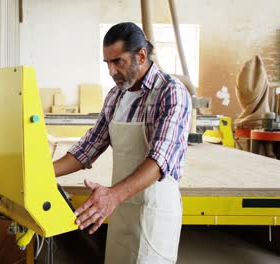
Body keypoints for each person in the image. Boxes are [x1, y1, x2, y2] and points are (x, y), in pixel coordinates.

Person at [53, 22, 192, 263]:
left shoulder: (171, 92)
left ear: (141, 55)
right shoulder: (116, 96)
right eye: (107, 63)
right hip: (121, 209)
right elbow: (88, 148)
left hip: (154, 213)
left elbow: (160, 160)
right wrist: (41, 174)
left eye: (118, 61)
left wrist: (112, 197)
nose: (111, 71)